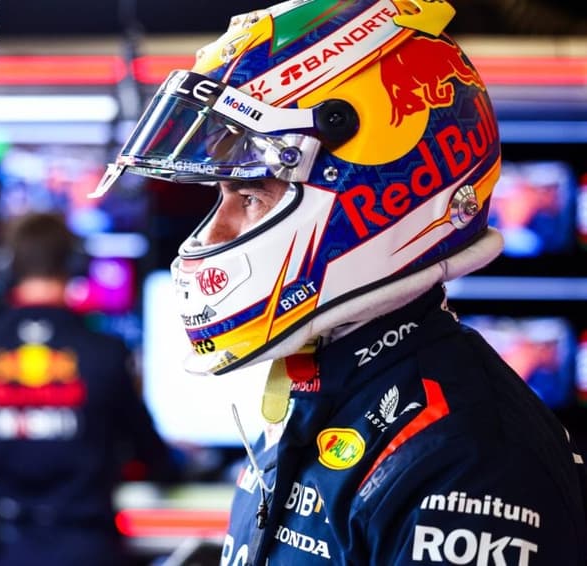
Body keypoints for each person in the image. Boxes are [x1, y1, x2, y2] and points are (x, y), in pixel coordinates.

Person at [92, 0, 587, 564]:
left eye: (250, 196)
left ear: (370, 196)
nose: (214, 234)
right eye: (221, 198)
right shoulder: (324, 389)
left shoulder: (472, 458)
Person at [0, 212, 181, 566]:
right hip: (89, 547)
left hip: (11, 547)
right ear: (74, 266)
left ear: (7, 268)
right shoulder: (106, 352)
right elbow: (153, 457)